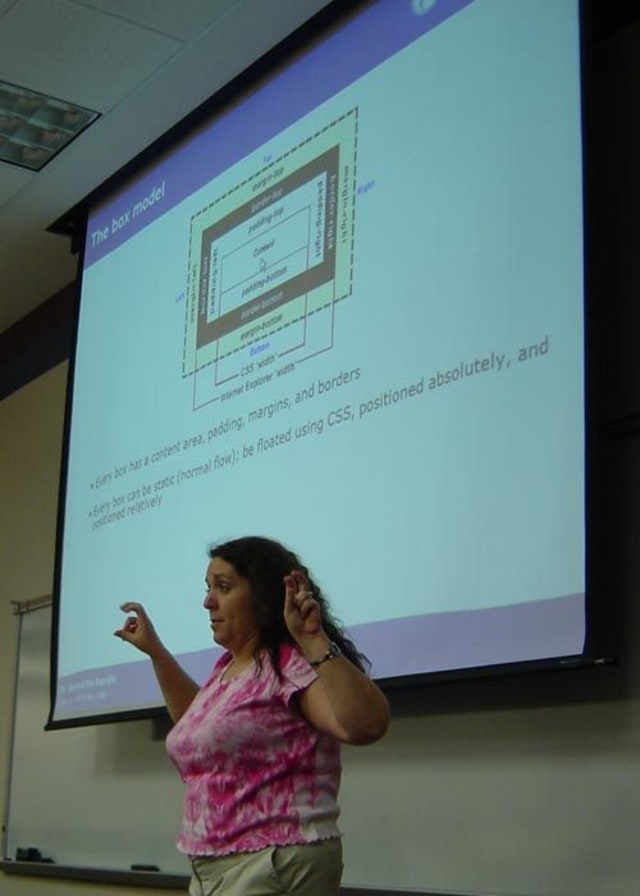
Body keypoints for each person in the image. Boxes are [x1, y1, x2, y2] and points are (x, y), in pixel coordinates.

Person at [115, 535, 390, 896]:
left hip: (274, 862)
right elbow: (196, 729)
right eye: (208, 588)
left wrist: (313, 638)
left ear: (262, 597)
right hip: (214, 868)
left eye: (223, 587)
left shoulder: (289, 663)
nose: (207, 601)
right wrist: (156, 653)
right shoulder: (228, 669)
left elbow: (365, 725)